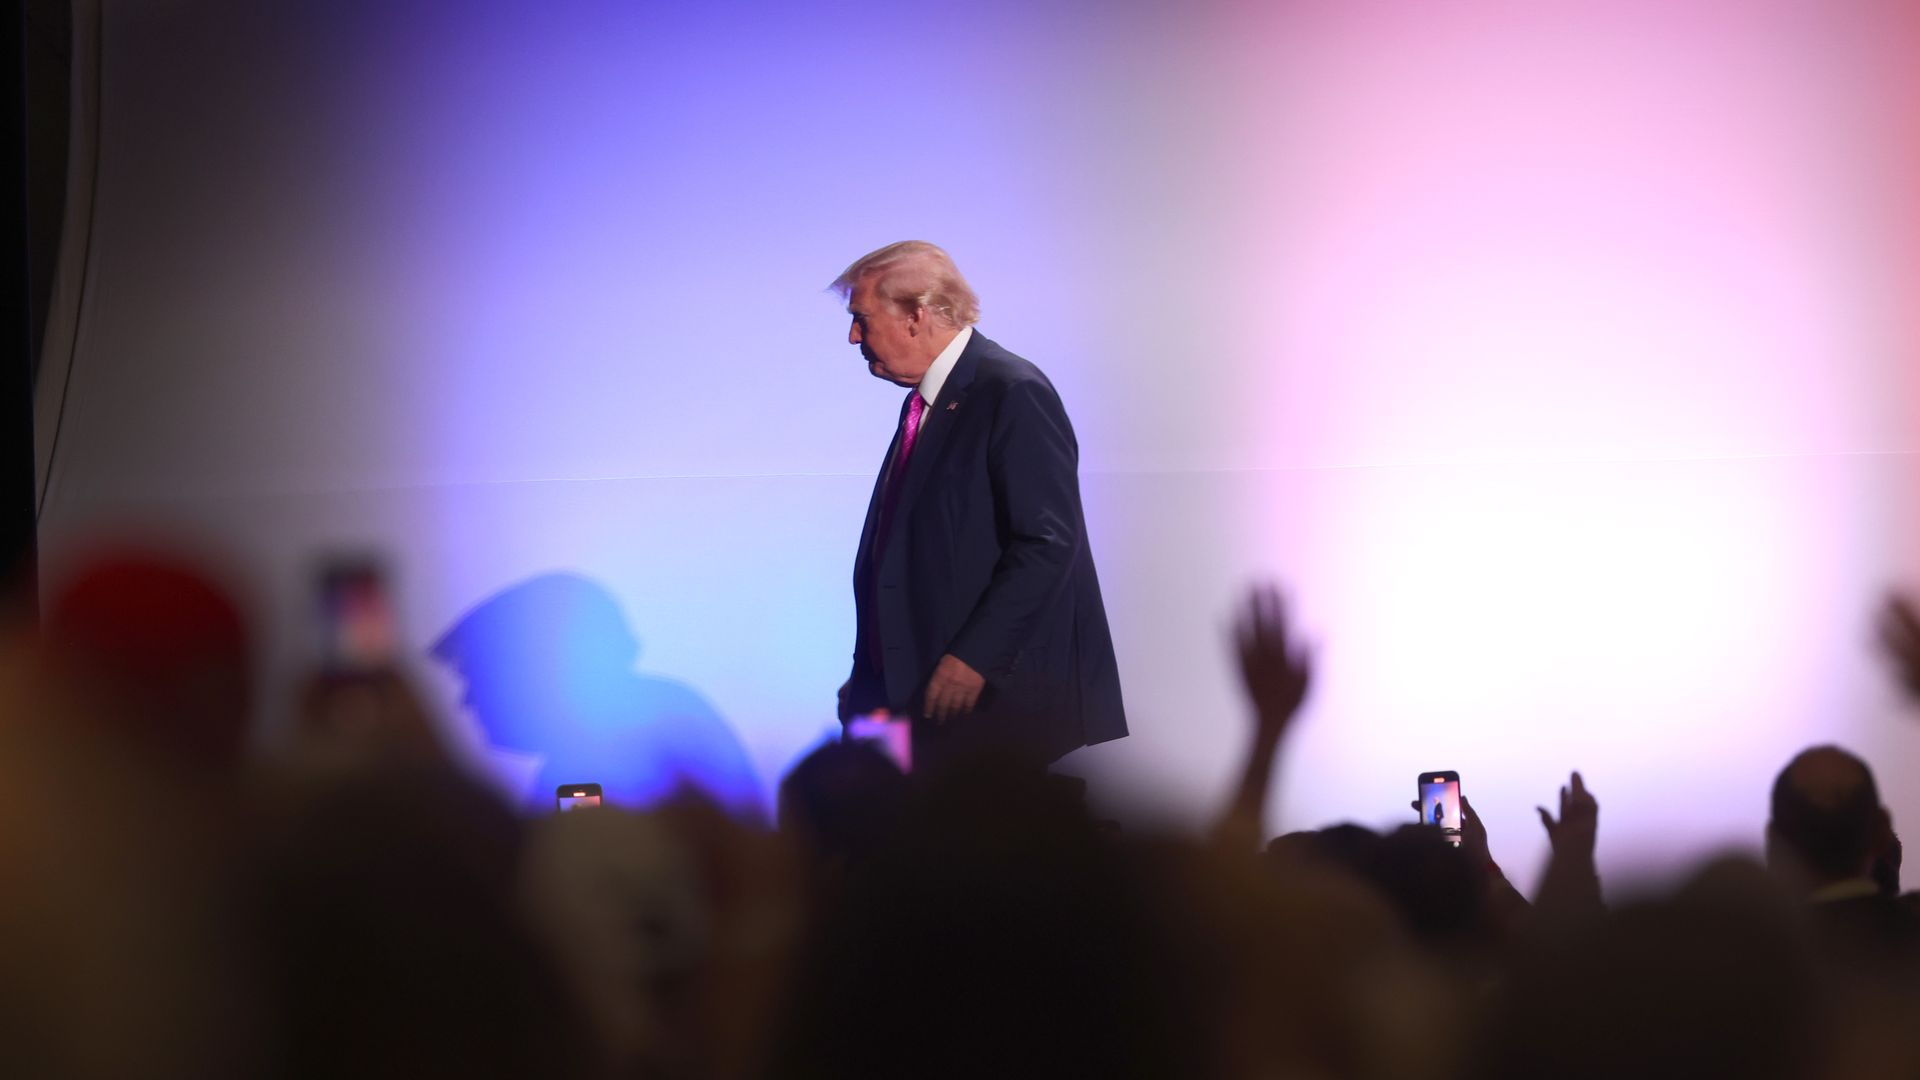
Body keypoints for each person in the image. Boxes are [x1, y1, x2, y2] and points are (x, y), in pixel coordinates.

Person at [831, 241, 1126, 769]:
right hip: (919, 692)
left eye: (862, 318)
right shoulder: (928, 400)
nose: (853, 336)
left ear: (916, 316)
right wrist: (877, 667)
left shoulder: (1010, 391)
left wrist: (974, 658)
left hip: (989, 698)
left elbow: (1046, 543)